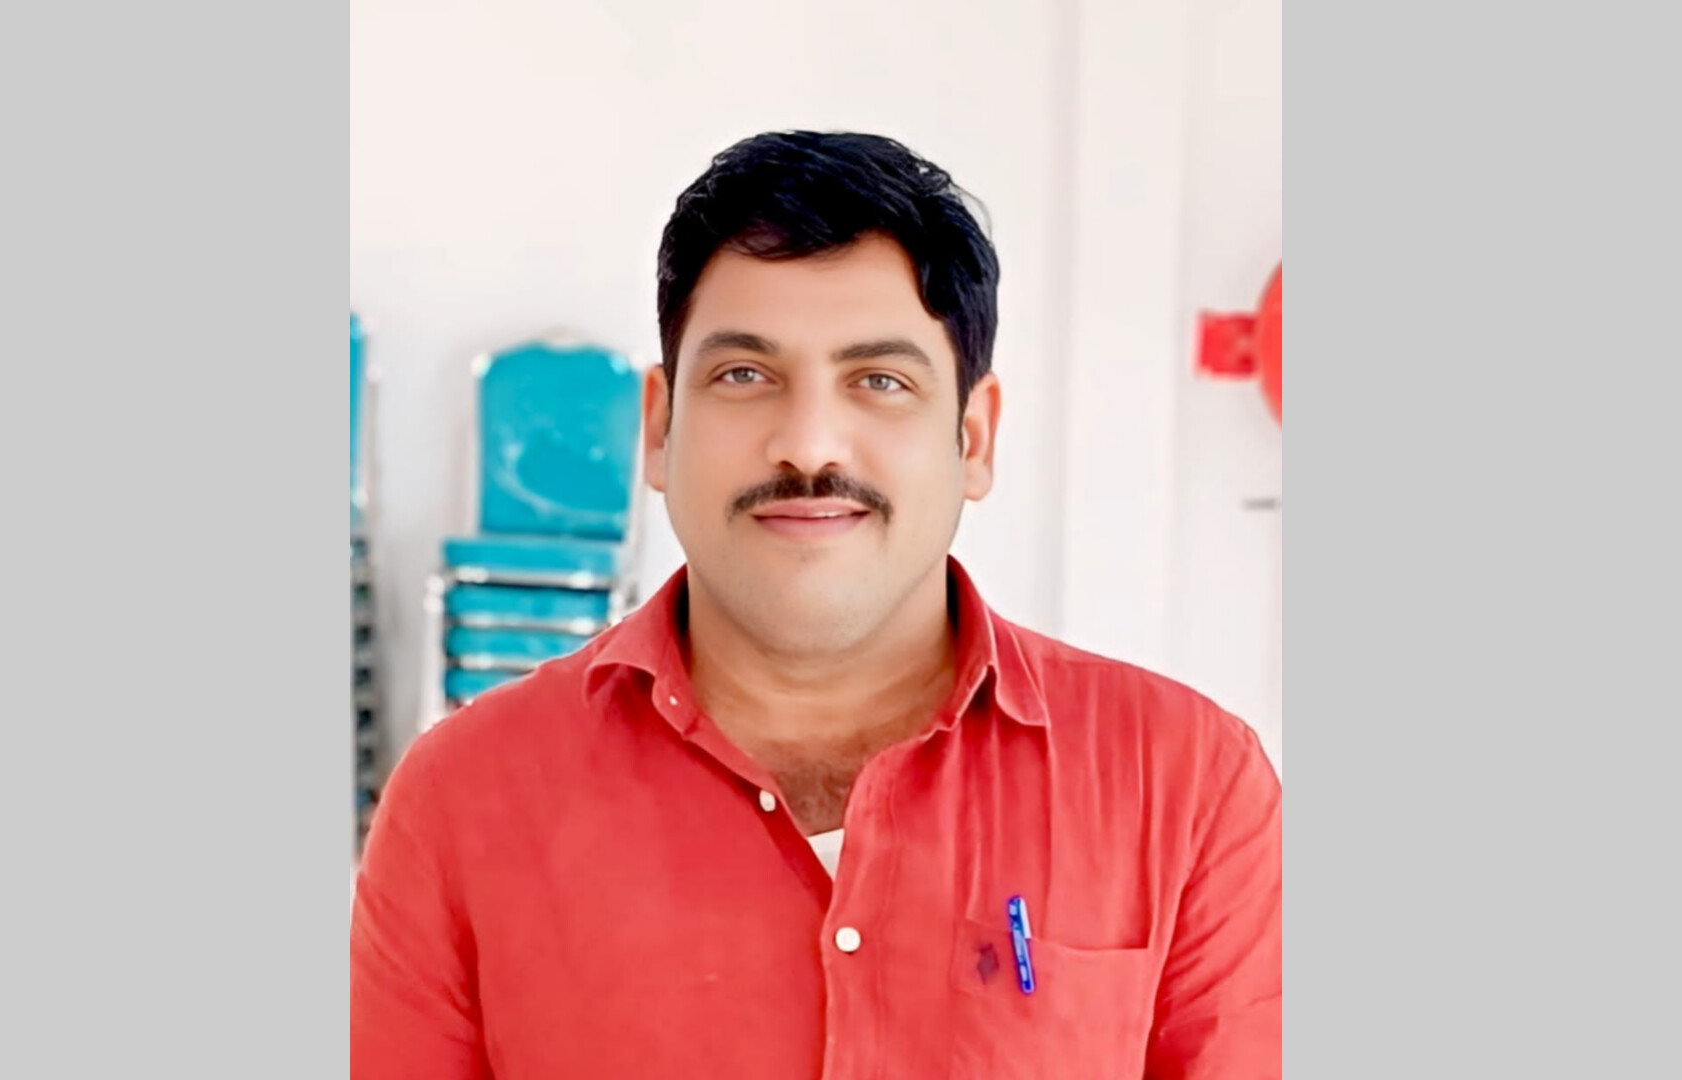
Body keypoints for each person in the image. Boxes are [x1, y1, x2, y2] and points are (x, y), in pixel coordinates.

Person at [350, 130, 1281, 1079]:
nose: (808, 444)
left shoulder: (1184, 786)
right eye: (744, 375)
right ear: (660, 428)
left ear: (972, 437)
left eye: (880, 381)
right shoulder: (462, 800)